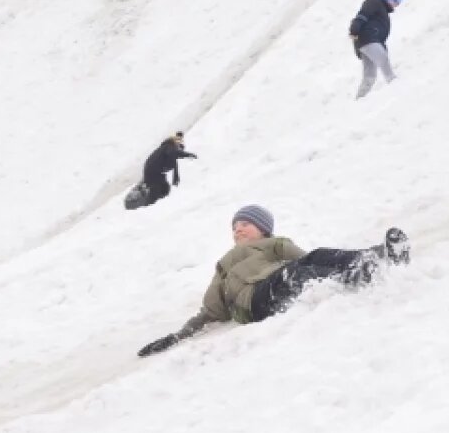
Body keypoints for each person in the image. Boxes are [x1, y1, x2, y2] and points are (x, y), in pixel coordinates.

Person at [137, 206, 410, 357]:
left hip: (277, 284)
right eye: (234, 227)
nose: (238, 229)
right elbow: (210, 311)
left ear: (263, 230)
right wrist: (176, 337)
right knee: (298, 274)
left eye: (245, 224)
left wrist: (311, 262)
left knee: (311, 263)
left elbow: (306, 258)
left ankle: (380, 257)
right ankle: (363, 271)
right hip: (254, 301)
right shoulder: (223, 266)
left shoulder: (272, 245)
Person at [350, 0, 402, 99]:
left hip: (369, 40)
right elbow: (363, 13)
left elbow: (379, 34)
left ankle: (359, 100)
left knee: (370, 76)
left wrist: (382, 46)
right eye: (395, 2)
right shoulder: (375, 0)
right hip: (367, 38)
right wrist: (355, 27)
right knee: (382, 58)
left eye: (397, 4)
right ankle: (393, 81)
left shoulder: (383, 9)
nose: (395, 5)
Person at [125, 132, 198, 210]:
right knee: (157, 190)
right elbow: (173, 152)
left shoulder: (167, 148)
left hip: (154, 171)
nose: (179, 150)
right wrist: (187, 154)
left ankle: (145, 192)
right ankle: (145, 205)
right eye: (179, 149)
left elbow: (174, 156)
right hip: (153, 172)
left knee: (165, 188)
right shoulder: (169, 146)